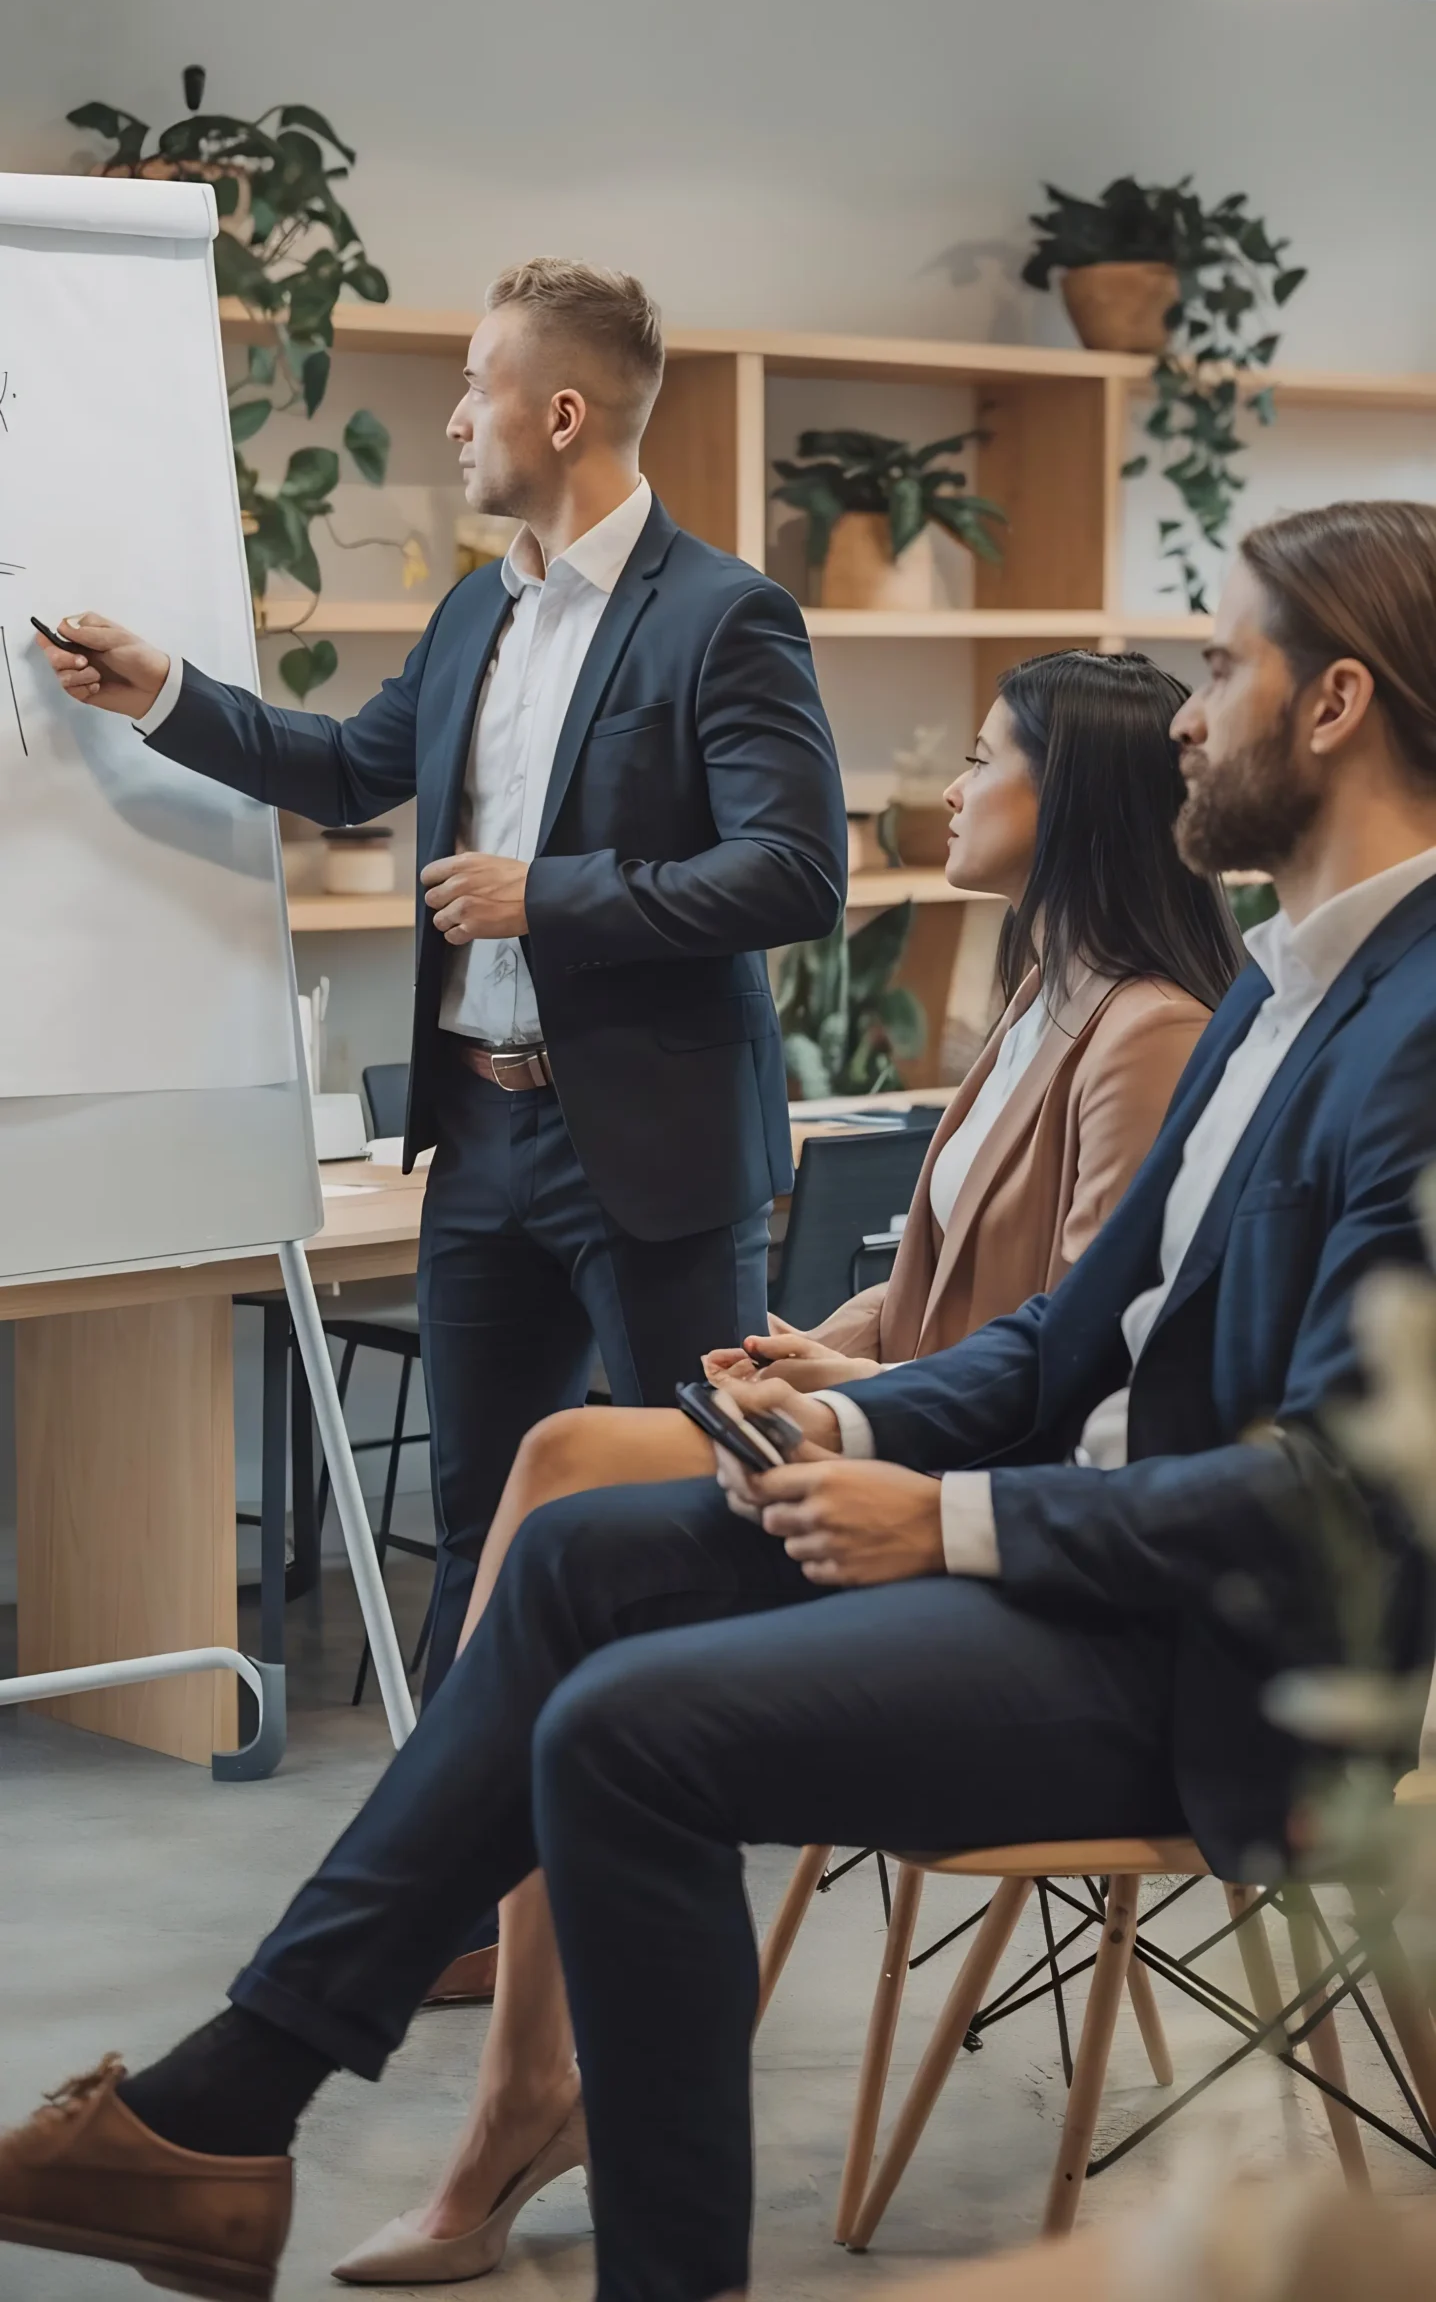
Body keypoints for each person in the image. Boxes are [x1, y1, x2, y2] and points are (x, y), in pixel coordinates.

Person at [9, 499, 1436, 2302]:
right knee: (573, 1557)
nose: (1180, 715)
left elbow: (1340, 1495)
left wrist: (952, 1512)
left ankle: (531, 2229)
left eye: (1223, 665)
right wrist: (856, 1423)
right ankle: (233, 2108)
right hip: (1070, 1565)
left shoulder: (1413, 1025)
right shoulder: (1278, 992)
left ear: (1338, 706)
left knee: (624, 1733)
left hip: (1209, 1661)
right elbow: (1076, 1339)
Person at [328, 646, 1242, 2283]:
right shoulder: (1044, 994)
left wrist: (868, 1389)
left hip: (999, 1501)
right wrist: (834, 1339)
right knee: (558, 1473)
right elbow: (950, 1269)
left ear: (1075, 800)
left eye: (983, 761)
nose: (949, 790)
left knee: (560, 1478)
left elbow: (1088, 1345)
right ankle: (519, 2072)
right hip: (913, 1415)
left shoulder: (1147, 1032)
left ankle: (515, 2074)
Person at [36, 254, 847, 1995]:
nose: (455, 419)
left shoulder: (724, 616)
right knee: (479, 1530)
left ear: (563, 412)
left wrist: (549, 895)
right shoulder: (482, 608)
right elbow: (350, 770)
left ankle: (666, 1885)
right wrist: (163, 692)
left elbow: (797, 875)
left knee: (687, 1516)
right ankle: (488, 1907)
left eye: (476, 389)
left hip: (658, 1159)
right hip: (481, 1148)